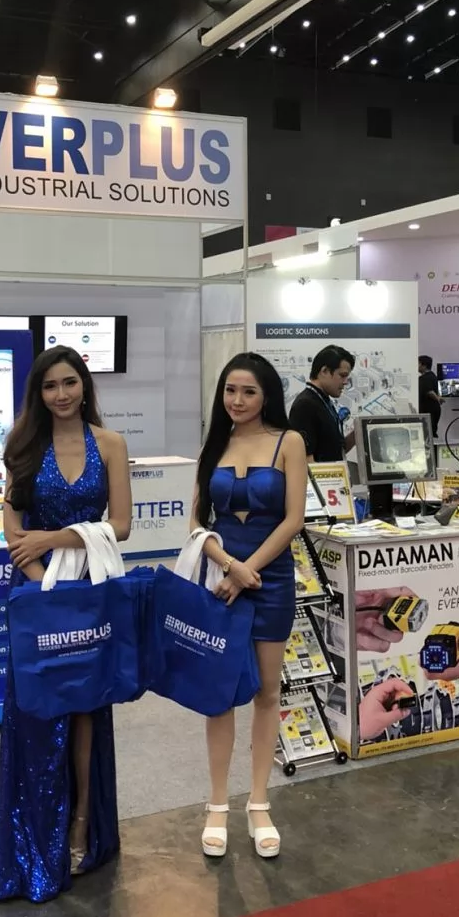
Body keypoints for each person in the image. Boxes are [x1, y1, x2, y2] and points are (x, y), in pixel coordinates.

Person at [0, 346, 132, 904]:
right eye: (50, 386)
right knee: (37, 711)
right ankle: (35, 832)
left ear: (84, 386)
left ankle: (82, 824)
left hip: (90, 590)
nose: (62, 394)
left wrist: (55, 539)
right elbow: (12, 525)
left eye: (70, 383)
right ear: (38, 393)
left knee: (88, 707)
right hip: (36, 591)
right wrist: (43, 578)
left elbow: (121, 525)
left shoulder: (110, 444)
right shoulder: (22, 444)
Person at [192, 353, 306, 860]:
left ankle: (259, 803)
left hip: (271, 579)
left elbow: (293, 519)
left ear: (267, 396)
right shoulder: (214, 443)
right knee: (219, 693)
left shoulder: (289, 442)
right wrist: (227, 565)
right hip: (219, 581)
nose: (237, 401)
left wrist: (248, 570)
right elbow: (196, 522)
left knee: (266, 691)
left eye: (248, 392)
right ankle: (217, 804)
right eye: (230, 391)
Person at [287, 345, 355, 462]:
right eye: (342, 375)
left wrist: (357, 433)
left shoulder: (324, 402)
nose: (345, 382)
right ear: (324, 371)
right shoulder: (305, 405)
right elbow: (305, 460)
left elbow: (336, 452)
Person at [418, 355, 442, 439]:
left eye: (418, 363)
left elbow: (430, 391)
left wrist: (437, 398)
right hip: (433, 409)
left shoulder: (425, 378)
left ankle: (431, 447)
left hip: (429, 410)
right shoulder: (432, 376)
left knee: (428, 432)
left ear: (424, 365)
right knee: (430, 431)